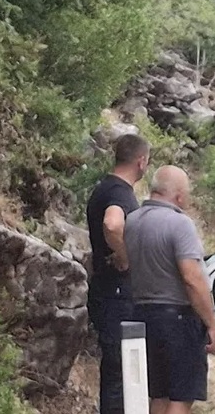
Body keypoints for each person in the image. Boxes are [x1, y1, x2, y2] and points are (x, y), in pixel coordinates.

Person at [124, 165, 215, 414]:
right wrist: (211, 323)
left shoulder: (133, 221)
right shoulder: (180, 224)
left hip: (143, 315)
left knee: (159, 394)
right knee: (181, 395)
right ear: (179, 196)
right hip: (178, 319)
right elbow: (192, 279)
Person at [85, 133, 150, 414]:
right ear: (142, 161)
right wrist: (126, 257)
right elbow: (112, 225)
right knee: (120, 370)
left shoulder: (105, 188)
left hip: (106, 288)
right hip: (116, 292)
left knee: (116, 369)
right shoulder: (118, 192)